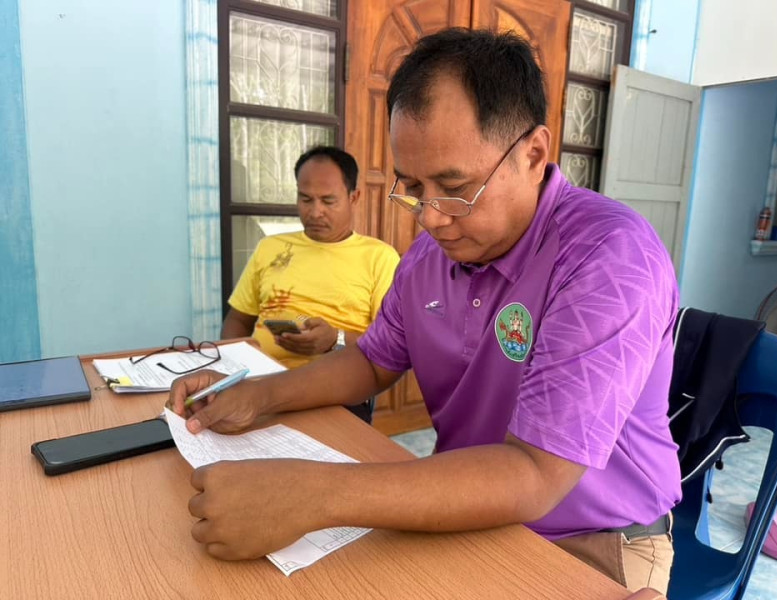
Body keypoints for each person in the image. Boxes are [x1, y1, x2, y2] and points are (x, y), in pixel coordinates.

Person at [171, 28, 681, 595]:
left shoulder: (608, 257)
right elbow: (372, 361)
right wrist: (258, 395)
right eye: (413, 186)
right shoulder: (430, 256)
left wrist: (314, 495)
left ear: (533, 155)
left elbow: (536, 474)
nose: (431, 217)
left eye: (455, 187)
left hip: (591, 540)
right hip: (465, 510)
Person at [220, 146, 400, 422]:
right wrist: (232, 366)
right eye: (305, 199)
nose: (315, 212)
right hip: (257, 384)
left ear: (354, 198)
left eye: (328, 201)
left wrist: (335, 339)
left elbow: (390, 344)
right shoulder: (271, 248)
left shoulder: (379, 258)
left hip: (333, 394)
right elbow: (238, 319)